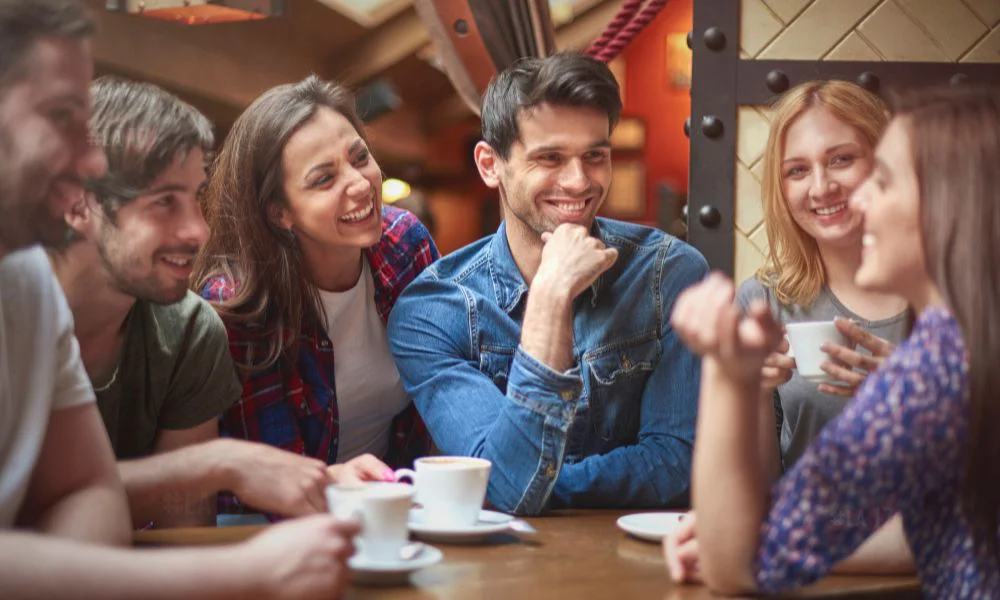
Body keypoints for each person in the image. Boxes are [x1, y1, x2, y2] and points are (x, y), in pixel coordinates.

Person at [0, 1, 356, 597]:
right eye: (59, 116)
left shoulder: (29, 287)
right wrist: (239, 568)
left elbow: (83, 492)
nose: (199, 231)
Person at [666, 84, 1000, 595]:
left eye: (882, 180)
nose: (851, 195)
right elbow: (937, 529)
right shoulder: (956, 346)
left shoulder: (939, 365)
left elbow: (740, 566)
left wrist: (725, 372)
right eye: (797, 170)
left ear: (949, 204)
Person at [51, 75, 383, 528]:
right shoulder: (17, 318)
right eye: (165, 202)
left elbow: (184, 532)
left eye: (196, 197)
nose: (199, 231)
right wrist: (219, 465)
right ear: (76, 205)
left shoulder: (190, 331)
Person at [388, 52, 707, 516]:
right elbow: (507, 491)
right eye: (550, 158)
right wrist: (551, 295)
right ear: (490, 164)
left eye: (595, 156)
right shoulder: (434, 310)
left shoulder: (669, 273)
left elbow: (677, 465)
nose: (578, 182)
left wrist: (542, 484)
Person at [193, 76, 438, 489]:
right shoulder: (237, 304)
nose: (361, 184)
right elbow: (273, 475)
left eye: (359, 158)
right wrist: (335, 482)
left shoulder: (405, 244)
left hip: (389, 508)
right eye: (324, 179)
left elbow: (442, 387)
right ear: (278, 213)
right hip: (261, 527)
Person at [734, 80, 909, 478]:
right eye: (797, 170)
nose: (821, 188)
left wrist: (922, 395)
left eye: (841, 160)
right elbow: (758, 489)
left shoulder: (953, 293)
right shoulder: (763, 301)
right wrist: (753, 394)